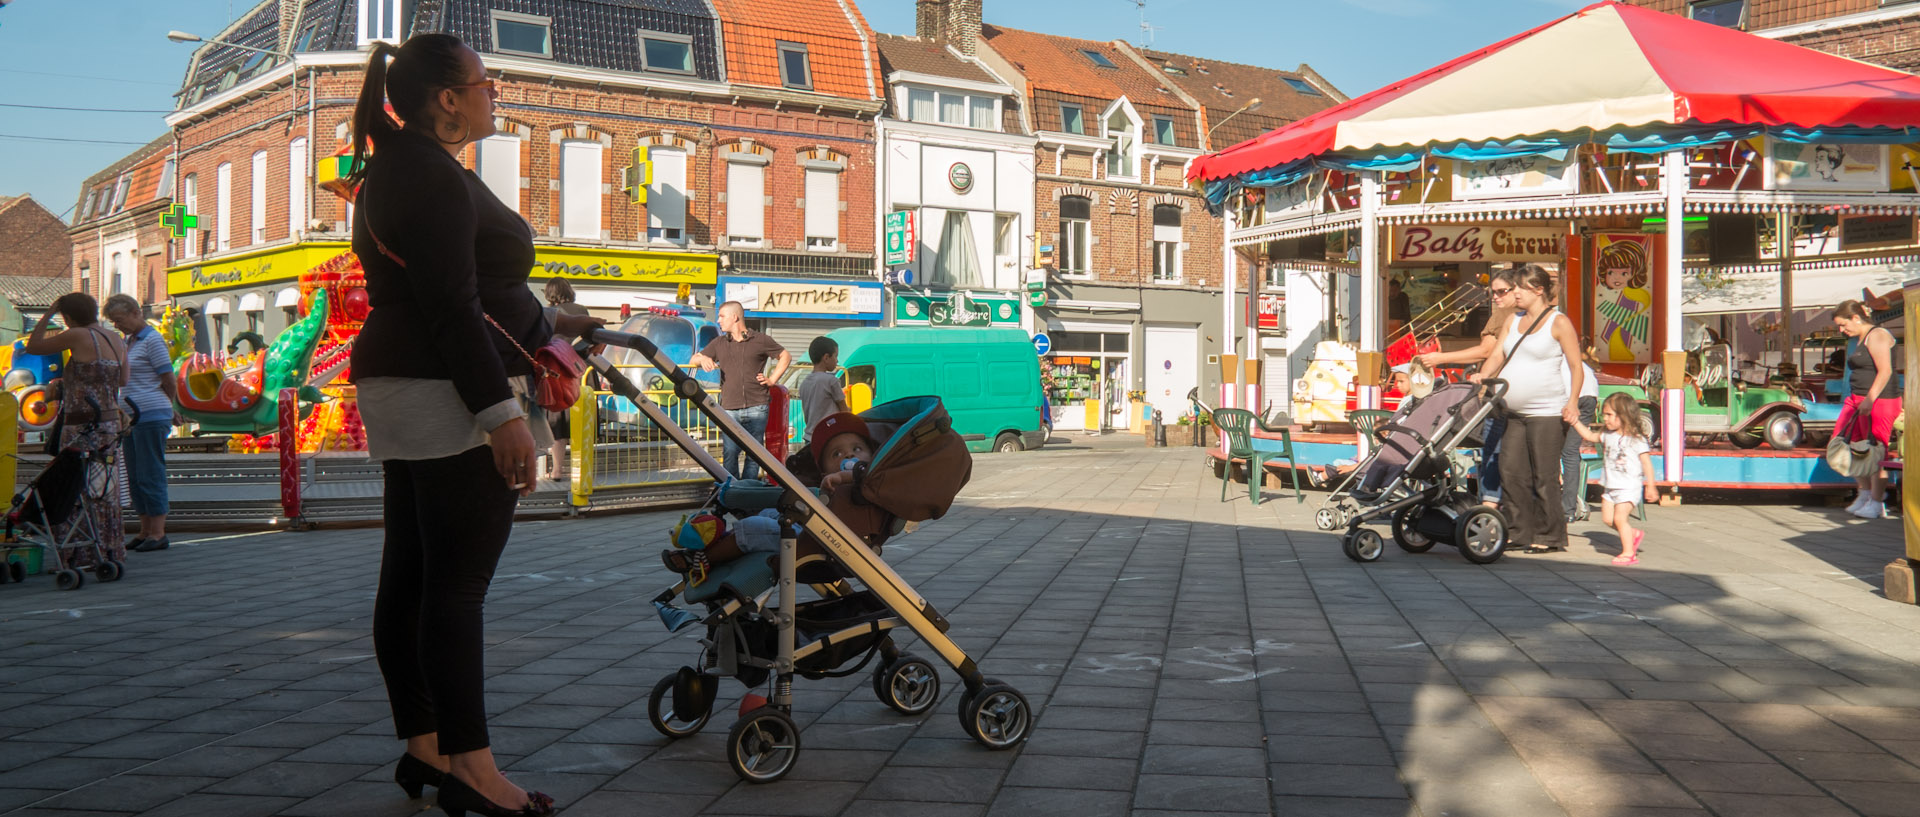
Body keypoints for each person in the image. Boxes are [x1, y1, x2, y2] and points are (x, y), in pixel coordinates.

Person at [347, 33, 600, 817]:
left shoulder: (398, 166)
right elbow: (453, 304)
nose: (497, 95)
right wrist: (502, 418)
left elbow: (454, 288)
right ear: (448, 99)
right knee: (454, 591)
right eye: (486, 84)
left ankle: (425, 746)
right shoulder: (428, 175)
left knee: (414, 577)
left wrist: (548, 319)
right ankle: (474, 767)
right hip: (446, 394)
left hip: (405, 381)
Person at [660, 411, 875, 575]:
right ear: (824, 470)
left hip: (825, 541)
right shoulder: (828, 482)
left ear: (872, 454)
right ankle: (721, 544)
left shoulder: (869, 478)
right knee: (764, 516)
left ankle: (703, 559)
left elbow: (861, 474)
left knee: (755, 528)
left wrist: (841, 477)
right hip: (809, 527)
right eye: (837, 453)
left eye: (857, 449)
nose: (848, 454)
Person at [1472, 264, 1584, 554]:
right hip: (1511, 410)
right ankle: (1519, 531)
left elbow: (1575, 365)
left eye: (1520, 288)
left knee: (1543, 475)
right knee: (1510, 470)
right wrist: (1484, 379)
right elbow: (1497, 354)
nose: (1515, 293)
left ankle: (1550, 535)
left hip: (1546, 411)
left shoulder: (1558, 323)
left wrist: (1572, 402)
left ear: (1539, 290)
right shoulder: (1511, 319)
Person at [25, 293, 128, 569]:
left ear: (68, 318)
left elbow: (33, 346)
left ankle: (76, 553)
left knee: (73, 488)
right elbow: (124, 378)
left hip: (80, 424)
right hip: (109, 424)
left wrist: (48, 313)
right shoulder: (115, 338)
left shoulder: (77, 335)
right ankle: (107, 552)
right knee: (104, 490)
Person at [1417, 272, 1518, 505]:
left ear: (1517, 290)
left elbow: (1487, 351)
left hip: (1497, 393)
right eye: (1492, 292)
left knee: (1492, 452)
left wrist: (1441, 358)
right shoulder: (1530, 317)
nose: (1496, 297)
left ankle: (1490, 504)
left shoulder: (1503, 315)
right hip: (1518, 392)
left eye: (1502, 291)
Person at [103, 294, 183, 553]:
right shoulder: (130, 342)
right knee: (135, 476)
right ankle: (145, 529)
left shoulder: (152, 340)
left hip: (150, 414)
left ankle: (158, 532)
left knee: (150, 473)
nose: (117, 325)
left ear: (136, 313)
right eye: (113, 322)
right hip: (131, 419)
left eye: (120, 319)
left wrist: (170, 406)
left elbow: (168, 379)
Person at [690, 301, 790, 480]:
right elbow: (693, 360)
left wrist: (772, 380)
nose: (718, 320)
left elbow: (785, 356)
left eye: (722, 316)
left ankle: (748, 491)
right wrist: (702, 358)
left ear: (734, 317)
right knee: (730, 452)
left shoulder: (760, 340)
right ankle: (731, 490)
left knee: (754, 454)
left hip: (757, 405)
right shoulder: (719, 342)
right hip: (729, 406)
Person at [1571, 392, 1659, 565]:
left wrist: (1651, 485)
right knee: (1608, 520)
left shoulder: (1636, 440)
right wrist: (1575, 422)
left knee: (1619, 519)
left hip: (1629, 487)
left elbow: (1646, 464)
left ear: (1624, 415)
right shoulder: (1607, 435)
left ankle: (1629, 553)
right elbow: (1589, 436)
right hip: (1610, 487)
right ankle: (1632, 534)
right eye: (1605, 415)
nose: (1606, 419)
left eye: (1610, 415)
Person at [1833, 299, 1899, 519]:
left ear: (1856, 318)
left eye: (1843, 324)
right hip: (1858, 398)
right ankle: (1864, 492)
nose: (1842, 330)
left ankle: (1877, 501)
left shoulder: (1877, 335)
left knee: (1875, 449)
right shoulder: (1860, 338)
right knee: (1850, 443)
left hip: (1879, 400)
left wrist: (1870, 399)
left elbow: (1885, 371)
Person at [541, 279, 588, 482]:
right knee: (580, 423)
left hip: (555, 375)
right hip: (581, 373)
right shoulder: (581, 310)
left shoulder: (547, 314)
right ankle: (583, 472)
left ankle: (558, 470)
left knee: (557, 425)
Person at [1561, 350, 1601, 522]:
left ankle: (1557, 507)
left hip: (1568, 395)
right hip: (1590, 395)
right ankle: (1568, 510)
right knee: (1570, 453)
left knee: (1555, 450)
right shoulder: (1571, 355)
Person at [798, 336, 848, 442]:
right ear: (826, 358)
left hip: (810, 437)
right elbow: (843, 409)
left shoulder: (804, 383)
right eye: (835, 356)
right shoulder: (831, 381)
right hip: (829, 437)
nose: (837, 360)